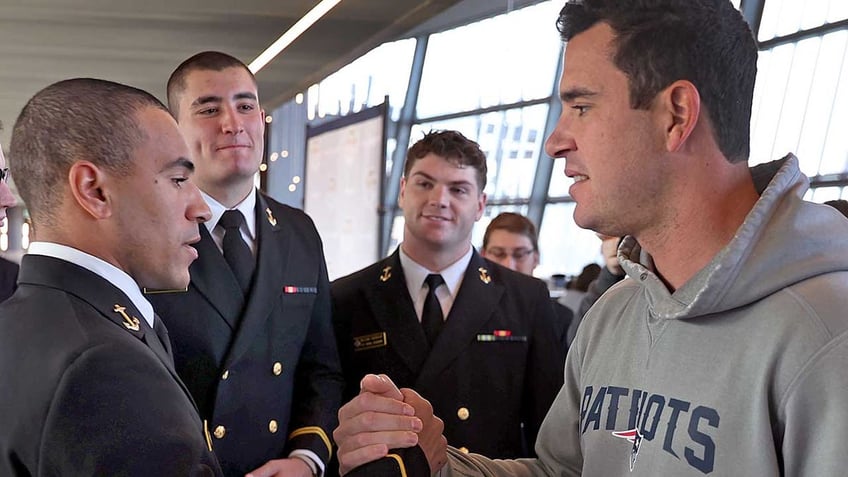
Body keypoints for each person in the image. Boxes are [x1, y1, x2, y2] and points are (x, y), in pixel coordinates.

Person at [333, 0, 848, 475]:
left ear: (676, 116)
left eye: (581, 106)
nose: (556, 141)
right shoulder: (615, 314)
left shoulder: (826, 338)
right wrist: (439, 464)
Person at [0, 78, 221, 475]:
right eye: (178, 180)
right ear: (94, 191)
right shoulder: (104, 367)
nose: (201, 208)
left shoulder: (19, 322)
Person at [146, 51, 344, 477]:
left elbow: (321, 369)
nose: (232, 122)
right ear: (174, 130)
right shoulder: (150, 238)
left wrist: (307, 458)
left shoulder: (299, 232)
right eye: (209, 109)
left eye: (245, 105)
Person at [330, 130, 564, 470]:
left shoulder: (526, 298)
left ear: (480, 205)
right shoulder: (348, 297)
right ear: (402, 191)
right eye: (425, 184)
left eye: (458, 189)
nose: (440, 199)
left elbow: (549, 428)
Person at [480, 211, 573, 352]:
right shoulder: (463, 309)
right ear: (482, 255)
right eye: (498, 254)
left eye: (520, 255)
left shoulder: (560, 319)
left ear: (536, 258)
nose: (508, 265)